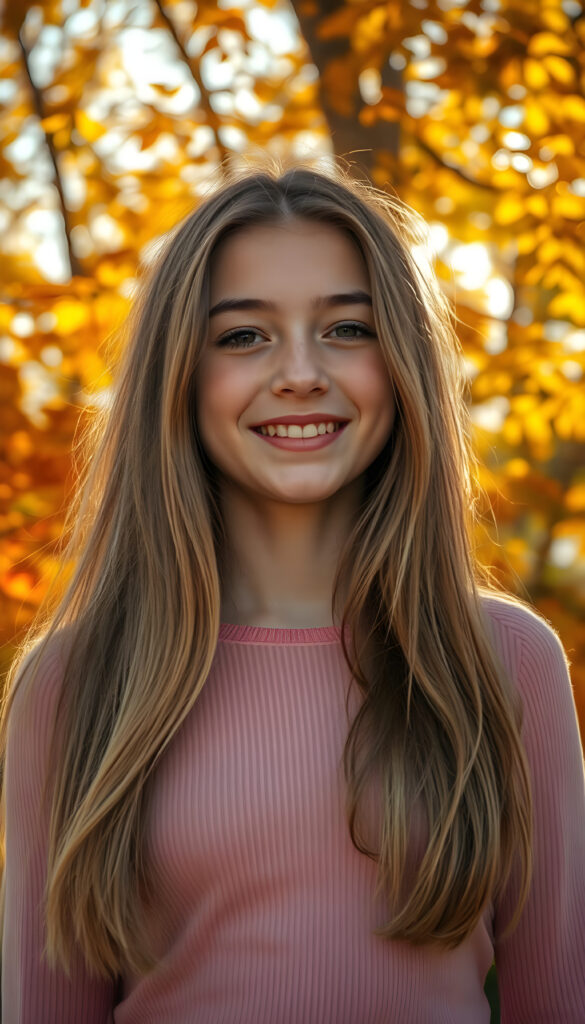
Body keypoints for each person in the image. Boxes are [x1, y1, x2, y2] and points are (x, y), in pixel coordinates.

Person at [1, 160, 584, 1024]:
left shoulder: (506, 660)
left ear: (402, 362)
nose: (301, 373)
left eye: (347, 329)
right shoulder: (74, 681)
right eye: (244, 336)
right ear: (180, 375)